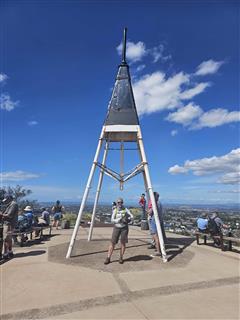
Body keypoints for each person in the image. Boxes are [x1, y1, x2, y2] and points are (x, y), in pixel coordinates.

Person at [104, 198, 133, 265]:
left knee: (123, 243)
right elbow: (112, 220)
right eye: (118, 202)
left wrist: (130, 218)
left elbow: (131, 215)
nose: (120, 204)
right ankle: (108, 257)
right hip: (117, 227)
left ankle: (121, 257)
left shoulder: (125, 209)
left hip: (124, 228)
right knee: (112, 243)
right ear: (117, 203)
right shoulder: (115, 210)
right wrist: (118, 220)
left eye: (121, 202)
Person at [148, 192, 166, 257]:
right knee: (158, 236)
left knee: (156, 237)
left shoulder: (154, 203)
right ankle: (159, 249)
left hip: (154, 221)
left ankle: (158, 250)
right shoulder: (159, 203)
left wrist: (148, 211)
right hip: (159, 221)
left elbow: (150, 212)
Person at [0, 195, 18, 260]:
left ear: (9, 199)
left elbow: (10, 215)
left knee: (6, 239)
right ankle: (10, 252)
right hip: (9, 224)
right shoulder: (11, 204)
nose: (5, 202)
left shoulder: (13, 204)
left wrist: (1, 215)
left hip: (9, 224)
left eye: (6, 200)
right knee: (9, 239)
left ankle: (5, 253)